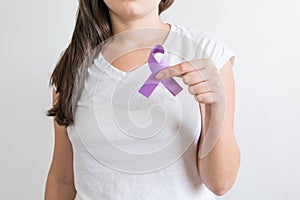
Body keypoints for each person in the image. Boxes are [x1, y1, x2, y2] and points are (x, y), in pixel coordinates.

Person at [44, 0, 240, 199]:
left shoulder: (205, 53)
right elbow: (62, 180)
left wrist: (216, 105)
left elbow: (220, 184)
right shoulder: (74, 65)